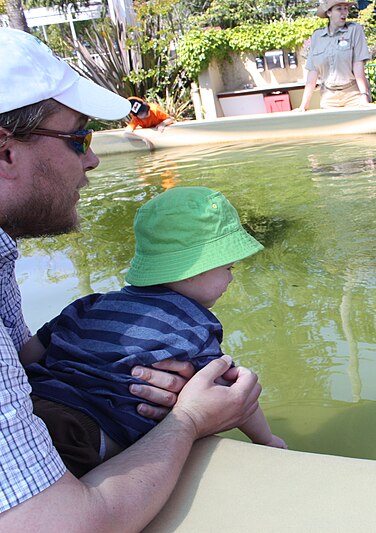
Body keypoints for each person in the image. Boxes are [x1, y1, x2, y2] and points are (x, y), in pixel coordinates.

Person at [0, 28, 262, 529]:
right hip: (80, 442)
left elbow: (28, 355)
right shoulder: (193, 326)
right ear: (6, 152)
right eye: (79, 137)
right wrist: (188, 419)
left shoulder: (4, 258)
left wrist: (116, 367)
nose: (93, 158)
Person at [22, 187, 287, 477]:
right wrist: (266, 439)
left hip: (29, 409)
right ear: (199, 268)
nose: (231, 278)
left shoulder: (92, 303)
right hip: (84, 434)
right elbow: (235, 395)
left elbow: (27, 355)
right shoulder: (193, 325)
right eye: (228, 268)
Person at [298, 0, 372, 111]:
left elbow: (358, 65)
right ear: (329, 12)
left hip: (352, 93)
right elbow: (313, 71)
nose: (344, 13)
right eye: (339, 9)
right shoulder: (317, 36)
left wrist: (363, 95)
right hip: (329, 96)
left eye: (346, 8)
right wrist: (304, 104)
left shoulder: (354, 30)